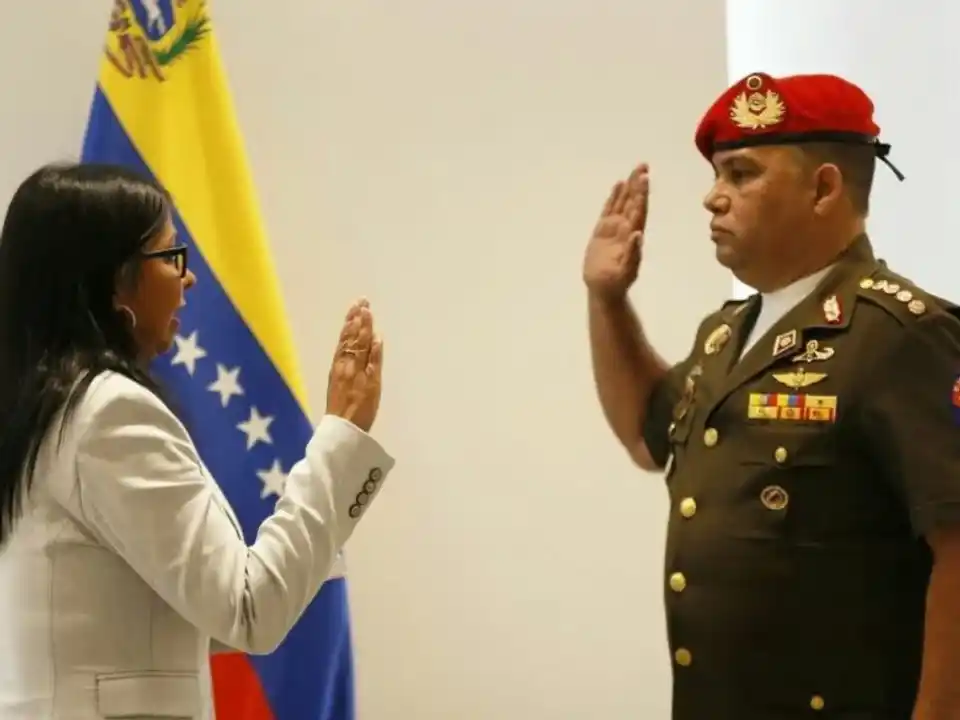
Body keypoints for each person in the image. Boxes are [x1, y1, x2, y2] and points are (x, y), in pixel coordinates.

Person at [584, 71, 960, 719]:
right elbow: (647, 432)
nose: (712, 198)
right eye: (716, 175)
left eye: (741, 174)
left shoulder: (901, 335)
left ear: (823, 188)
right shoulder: (728, 334)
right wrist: (607, 300)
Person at [0, 163, 393, 719]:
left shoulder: (42, 408)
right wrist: (341, 439)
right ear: (116, 284)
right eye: (171, 256)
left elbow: (163, 616)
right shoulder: (109, 414)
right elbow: (248, 609)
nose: (189, 279)